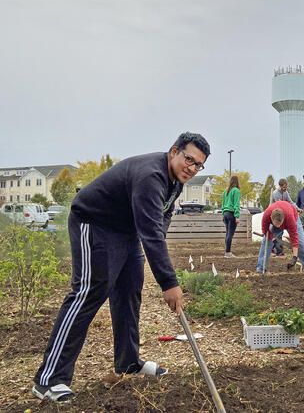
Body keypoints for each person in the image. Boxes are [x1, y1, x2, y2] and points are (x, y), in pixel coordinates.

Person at [32, 132, 210, 403]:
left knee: (129, 291)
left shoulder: (175, 182)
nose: (192, 168)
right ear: (174, 151)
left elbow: (162, 217)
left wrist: (157, 242)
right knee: (88, 293)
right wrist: (169, 283)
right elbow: (150, 232)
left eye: (199, 165)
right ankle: (49, 379)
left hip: (125, 232)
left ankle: (128, 363)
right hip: (93, 222)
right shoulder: (151, 175)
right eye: (189, 159)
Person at [256, 200, 304, 275]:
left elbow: (295, 239)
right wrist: (274, 240)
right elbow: (265, 230)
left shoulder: (289, 218)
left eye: (279, 225)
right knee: (266, 241)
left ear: (283, 219)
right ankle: (260, 269)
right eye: (276, 225)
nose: (278, 227)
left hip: (292, 215)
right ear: (271, 218)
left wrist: (294, 257)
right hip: (278, 216)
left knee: (302, 245)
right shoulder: (266, 215)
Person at [269, 178, 295, 256]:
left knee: (279, 233)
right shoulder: (275, 193)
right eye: (284, 187)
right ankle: (277, 251)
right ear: (280, 186)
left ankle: (275, 250)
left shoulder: (285, 192)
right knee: (277, 233)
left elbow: (290, 202)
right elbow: (280, 206)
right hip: (275, 216)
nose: (285, 189)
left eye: (286, 187)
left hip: (281, 216)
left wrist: (296, 208)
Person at [222, 175, 241, 258]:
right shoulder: (236, 191)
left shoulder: (225, 191)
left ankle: (227, 251)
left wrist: (223, 215)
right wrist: (237, 216)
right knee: (230, 234)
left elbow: (223, 204)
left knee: (227, 233)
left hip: (225, 213)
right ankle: (228, 252)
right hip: (231, 214)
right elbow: (237, 204)